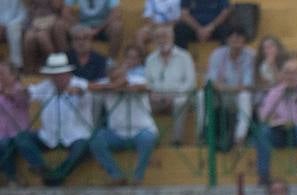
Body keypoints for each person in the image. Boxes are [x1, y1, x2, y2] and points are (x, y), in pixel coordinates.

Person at [13, 51, 93, 185]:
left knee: (83, 147)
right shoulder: (46, 86)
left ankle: (57, 176)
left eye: (60, 74)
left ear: (67, 73)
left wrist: (78, 91)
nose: (56, 78)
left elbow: (84, 91)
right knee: (22, 138)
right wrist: (19, 91)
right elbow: (29, 92)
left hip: (76, 135)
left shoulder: (81, 83)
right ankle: (41, 167)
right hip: (49, 136)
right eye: (53, 75)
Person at [90, 44, 157, 184]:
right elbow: (90, 86)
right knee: (95, 139)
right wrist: (112, 87)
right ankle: (116, 175)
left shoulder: (138, 80)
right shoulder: (107, 83)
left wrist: (122, 86)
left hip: (141, 130)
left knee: (148, 138)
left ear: (124, 73)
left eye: (119, 75)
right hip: (116, 133)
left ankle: (137, 178)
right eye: (112, 76)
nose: (116, 78)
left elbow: (144, 87)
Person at [255, 56, 297, 184]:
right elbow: (263, 117)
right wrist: (279, 95)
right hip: (280, 133)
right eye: (287, 73)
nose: (290, 76)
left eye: (294, 73)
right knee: (263, 132)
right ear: (282, 74)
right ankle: (263, 176)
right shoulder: (275, 91)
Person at [199, 25, 253, 148]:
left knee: (245, 96)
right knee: (201, 95)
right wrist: (226, 87)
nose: (236, 41)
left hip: (237, 97)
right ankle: (204, 132)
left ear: (244, 40)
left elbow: (246, 86)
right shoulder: (217, 54)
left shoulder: (250, 56)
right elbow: (210, 82)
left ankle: (240, 137)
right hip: (220, 96)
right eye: (232, 38)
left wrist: (222, 86)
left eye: (239, 38)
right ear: (227, 40)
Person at [145, 22, 193, 144]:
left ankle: (176, 140)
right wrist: (153, 94)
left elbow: (190, 83)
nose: (162, 40)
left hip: (178, 96)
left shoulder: (185, 56)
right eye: (158, 37)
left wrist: (172, 95)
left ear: (172, 38)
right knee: (140, 102)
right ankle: (150, 138)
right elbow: (147, 83)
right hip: (157, 98)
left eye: (164, 36)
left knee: (180, 102)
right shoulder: (150, 59)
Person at [0, 60, 28, 183]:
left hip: (17, 134)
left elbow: (21, 98)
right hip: (2, 134)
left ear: (13, 75)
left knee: (3, 145)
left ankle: (12, 177)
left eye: (1, 73)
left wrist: (7, 93)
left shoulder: (20, 89)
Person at [23, 0, 69, 72]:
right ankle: (30, 70)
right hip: (35, 20)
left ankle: (56, 65)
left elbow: (57, 7)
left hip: (53, 19)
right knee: (29, 38)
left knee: (42, 37)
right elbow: (29, 8)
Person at [253, 34, 286, 98]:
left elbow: (285, 82)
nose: (270, 50)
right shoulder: (262, 66)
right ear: (263, 51)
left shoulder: (285, 62)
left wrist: (273, 66)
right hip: (267, 94)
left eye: (272, 46)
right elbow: (269, 85)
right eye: (266, 48)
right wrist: (270, 65)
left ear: (278, 48)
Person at [0, 0, 26, 73]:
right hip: (2, 25)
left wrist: (5, 24)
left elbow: (23, 13)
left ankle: (16, 65)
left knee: (13, 29)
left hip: (19, 22)